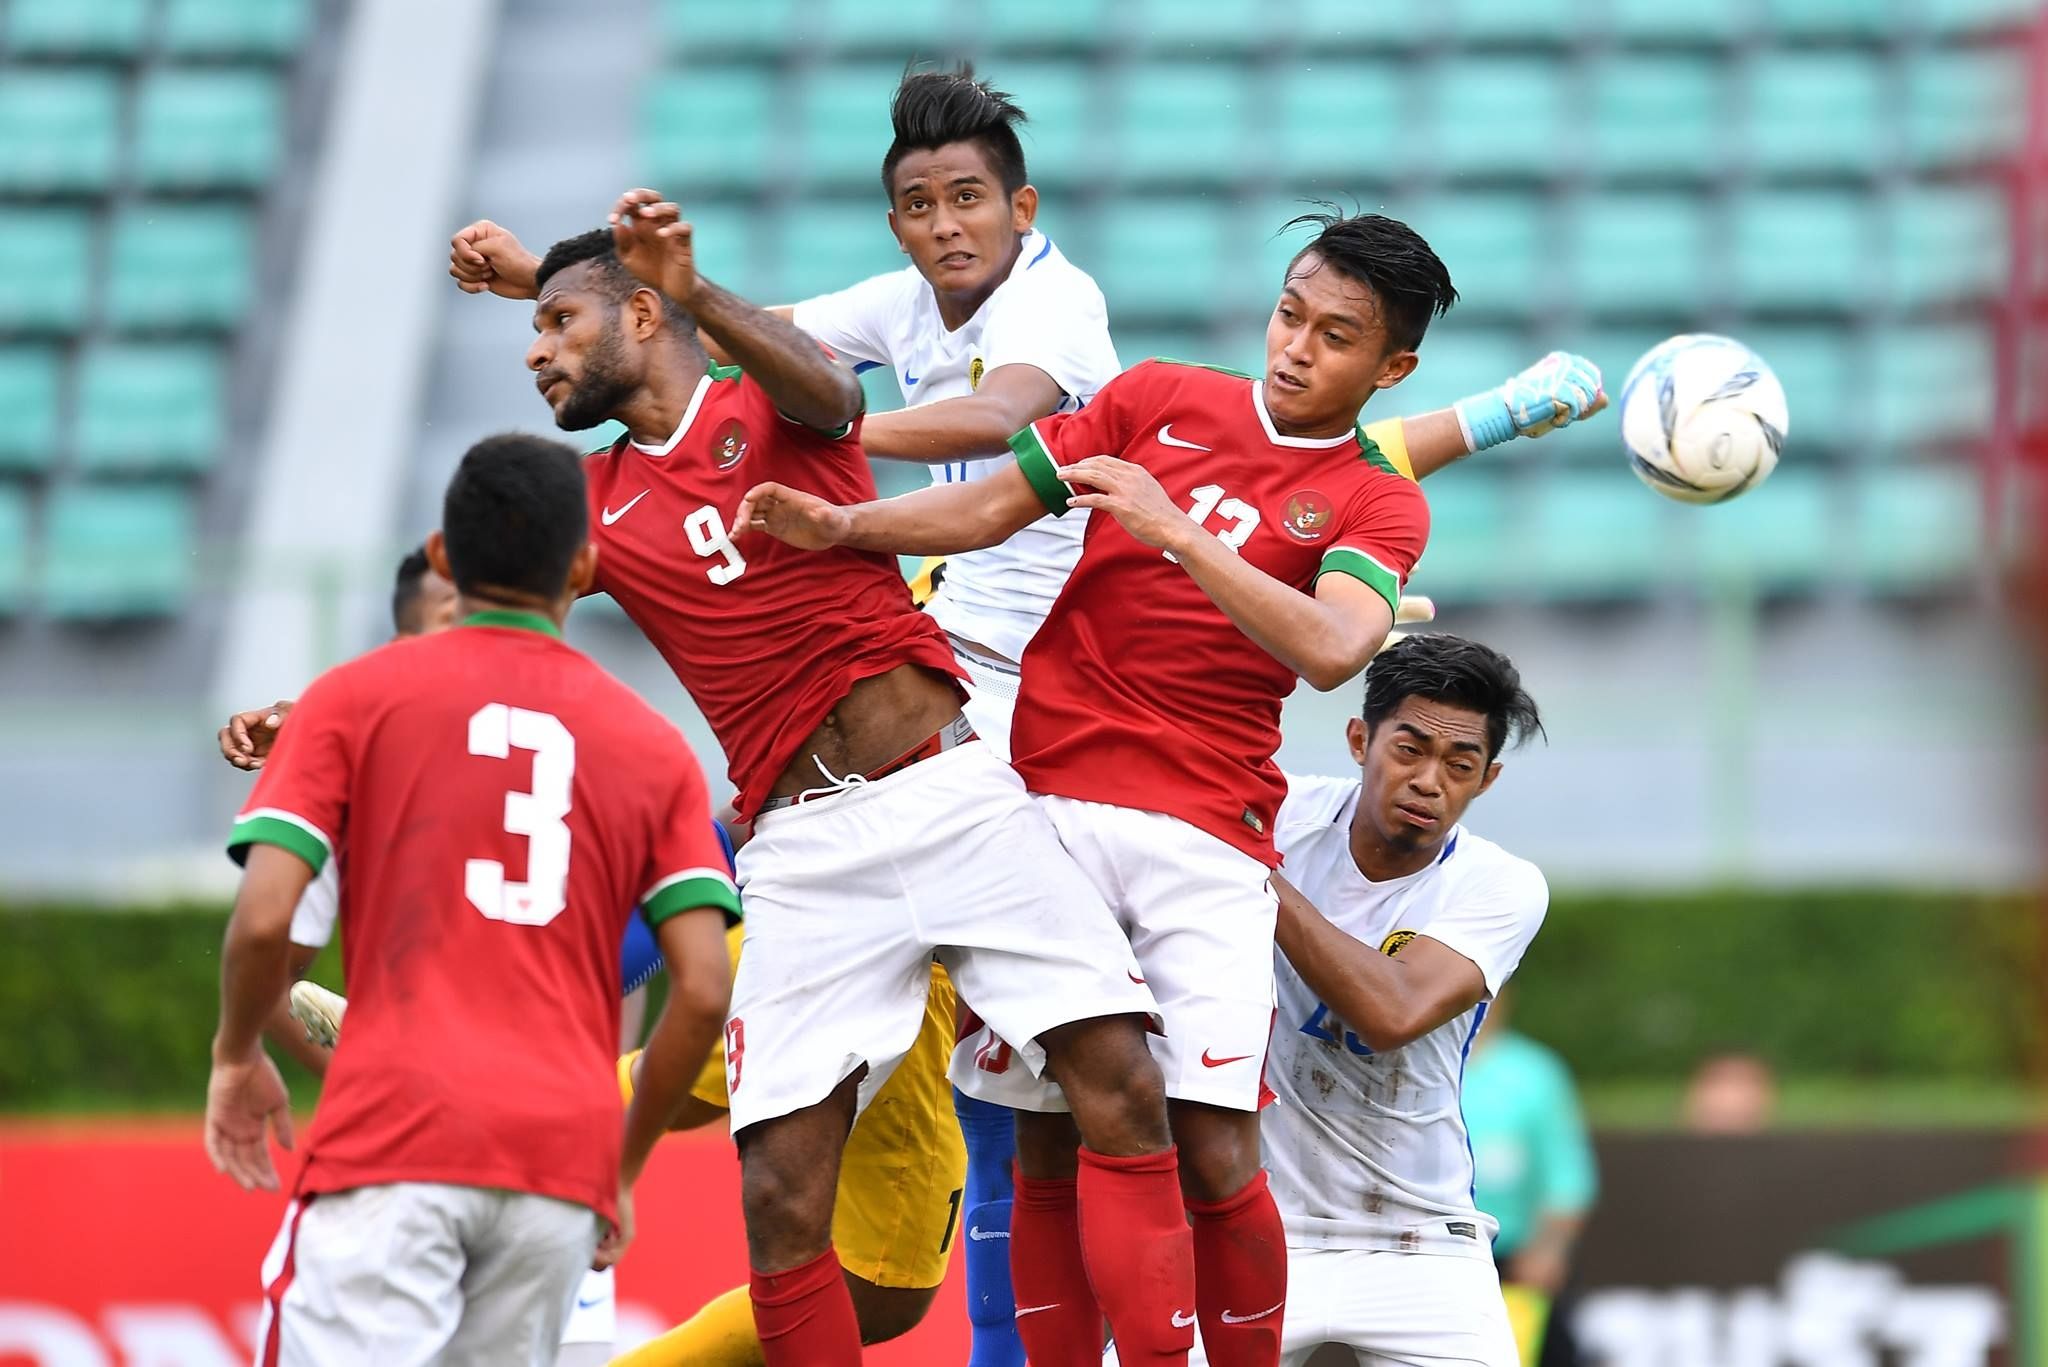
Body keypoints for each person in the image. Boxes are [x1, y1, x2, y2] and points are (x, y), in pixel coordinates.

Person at [452, 68, 1604, 1363]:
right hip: (989, 739)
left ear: (1024, 206)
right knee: (998, 1119)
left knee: (1158, 1114)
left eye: (968, 200)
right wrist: (825, 505)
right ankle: (539, 1067)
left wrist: (858, 461)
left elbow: (1305, 600)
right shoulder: (1072, 364)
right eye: (919, 204)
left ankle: (566, 1081)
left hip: (1088, 768)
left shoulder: (1077, 321)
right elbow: (723, 346)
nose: (946, 225)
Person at [741, 208, 1470, 1367]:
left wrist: (1177, 531)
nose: (1294, 347)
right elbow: (988, 506)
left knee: (1215, 1144)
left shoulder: (1376, 496)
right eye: (1289, 313)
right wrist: (847, 522)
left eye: (1335, 336)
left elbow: (1334, 648)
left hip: (1208, 833)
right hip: (1043, 810)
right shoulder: (1160, 397)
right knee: (1042, 1141)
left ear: (1392, 368)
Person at [497, 194, 1192, 1367]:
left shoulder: (773, 400)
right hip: (799, 852)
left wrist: (694, 287)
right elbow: (487, 613)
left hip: (949, 794)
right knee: (777, 1188)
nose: (534, 349)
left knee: (1121, 1078)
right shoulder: (597, 505)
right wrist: (324, 718)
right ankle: (522, 1089)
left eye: (558, 321)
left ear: (647, 311)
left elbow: (840, 397)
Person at [205, 434, 737, 1366]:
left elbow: (262, 921)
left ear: (445, 558)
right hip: (556, 1171)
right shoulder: (652, 745)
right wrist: (619, 1165)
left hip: (397, 1139)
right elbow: (699, 987)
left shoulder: (350, 698)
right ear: (583, 566)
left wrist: (237, 1052)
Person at [1108, 632, 1550, 1366]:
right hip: (1249, 1226)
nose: (1429, 780)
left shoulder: (1501, 885)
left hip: (1422, 1241)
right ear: (1358, 739)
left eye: (1459, 764)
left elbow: (1391, 1013)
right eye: (1408, 749)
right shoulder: (1279, 817)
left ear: (1487, 780)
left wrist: (1244, 867)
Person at [1464, 991, 1599, 1367]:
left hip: (1514, 1265)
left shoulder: (1534, 1073)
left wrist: (1548, 1250)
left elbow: (1568, 1177)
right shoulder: (1409, 1063)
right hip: (1429, 1256)